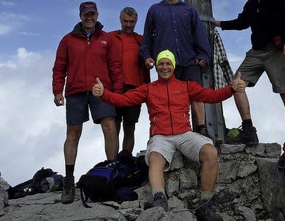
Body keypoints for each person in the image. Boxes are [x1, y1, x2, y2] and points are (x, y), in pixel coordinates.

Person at [92, 49, 246, 221]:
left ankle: (205, 204)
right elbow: (124, 100)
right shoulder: (148, 88)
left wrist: (231, 89)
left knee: (210, 152)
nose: (164, 67)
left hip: (185, 134)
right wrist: (104, 93)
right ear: (156, 67)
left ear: (173, 66)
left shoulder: (186, 85)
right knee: (155, 157)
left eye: (168, 64)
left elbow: (211, 96)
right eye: (161, 64)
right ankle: (159, 198)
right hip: (160, 136)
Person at [213, 0, 285, 146]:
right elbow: (241, 22)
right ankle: (249, 130)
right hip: (257, 51)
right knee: (236, 83)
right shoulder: (252, 2)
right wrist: (217, 23)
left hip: (277, 50)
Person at [52, 1, 123, 204]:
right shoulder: (68, 40)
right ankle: (68, 181)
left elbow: (115, 67)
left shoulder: (107, 39)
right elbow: (59, 67)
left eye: (92, 14)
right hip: (75, 91)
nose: (89, 17)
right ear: (80, 15)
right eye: (86, 14)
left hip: (101, 90)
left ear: (97, 14)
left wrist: (116, 93)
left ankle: (112, 173)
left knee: (110, 128)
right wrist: (58, 91)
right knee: (72, 134)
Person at [140, 0, 212, 137]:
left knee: (196, 94)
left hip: (189, 60)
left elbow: (198, 34)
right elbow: (147, 38)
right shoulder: (154, 10)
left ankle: (201, 130)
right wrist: (147, 56)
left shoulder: (189, 9)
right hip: (166, 65)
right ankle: (175, 133)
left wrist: (203, 56)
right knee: (169, 98)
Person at [110, 7, 151, 155]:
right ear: (120, 20)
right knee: (113, 126)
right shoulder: (110, 38)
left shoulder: (141, 41)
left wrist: (148, 89)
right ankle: (112, 161)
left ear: (136, 22)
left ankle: (125, 158)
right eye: (125, 21)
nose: (128, 25)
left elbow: (147, 66)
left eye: (131, 22)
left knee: (130, 126)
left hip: (135, 89)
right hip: (114, 88)